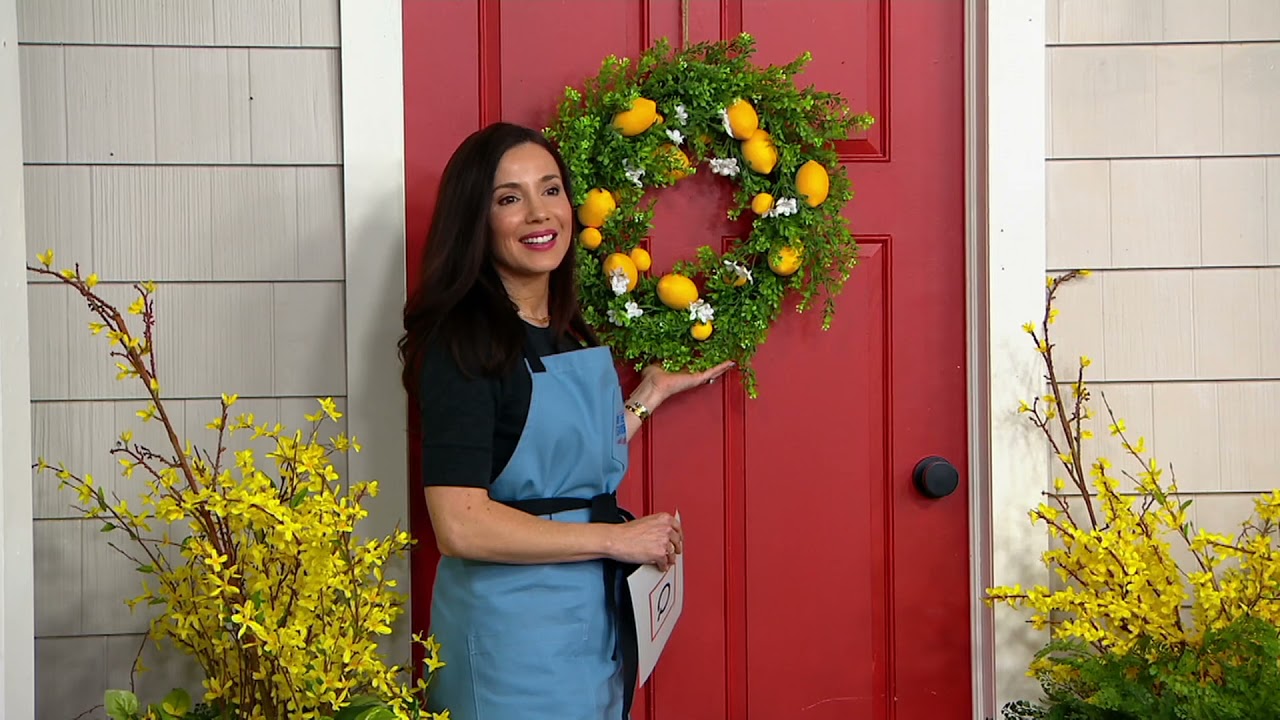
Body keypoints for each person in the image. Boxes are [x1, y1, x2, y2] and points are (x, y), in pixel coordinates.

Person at [398, 122, 732, 720]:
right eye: (509, 198)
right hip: (510, 640)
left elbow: (556, 467)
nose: (538, 213)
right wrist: (617, 538)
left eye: (550, 190)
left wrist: (649, 394)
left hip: (586, 621)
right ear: (476, 220)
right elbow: (460, 525)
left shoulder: (564, 331)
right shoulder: (464, 343)